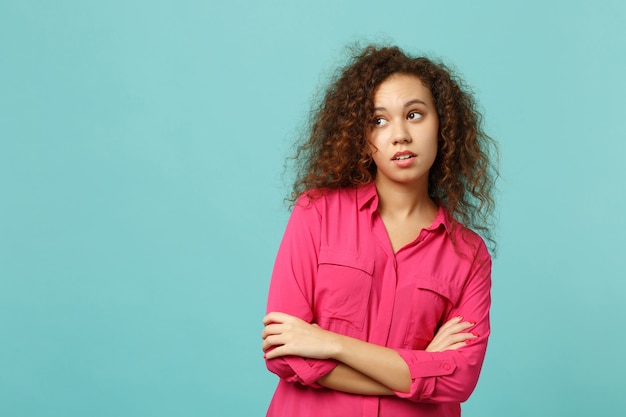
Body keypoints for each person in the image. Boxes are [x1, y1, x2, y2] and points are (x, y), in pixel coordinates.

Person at [261, 44, 497, 417]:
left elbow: (458, 380)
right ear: (361, 134)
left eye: (415, 115)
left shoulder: (468, 255)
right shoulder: (316, 214)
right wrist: (417, 369)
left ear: (443, 126)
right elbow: (285, 356)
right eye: (379, 120)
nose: (399, 135)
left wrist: (329, 343)